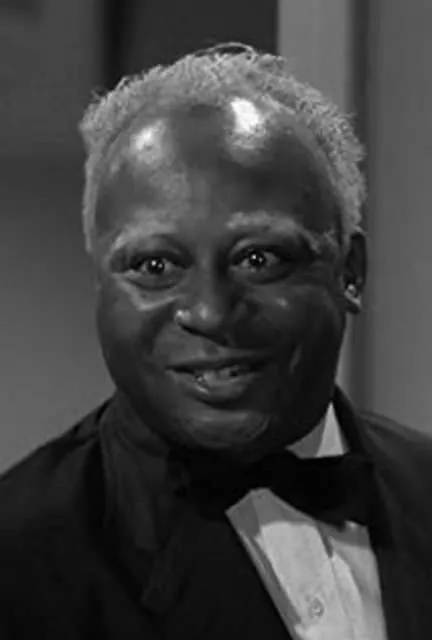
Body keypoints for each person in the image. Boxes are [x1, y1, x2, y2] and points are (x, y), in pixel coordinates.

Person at [0, 42, 431, 640]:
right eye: (155, 266)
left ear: (350, 272)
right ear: (100, 285)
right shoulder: (16, 562)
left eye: (259, 258)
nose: (209, 311)